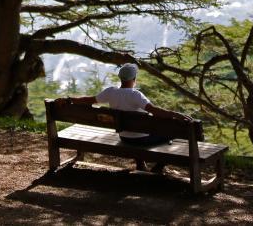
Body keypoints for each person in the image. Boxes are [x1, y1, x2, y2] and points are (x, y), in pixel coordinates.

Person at [55, 62, 191, 171]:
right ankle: (159, 166)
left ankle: (141, 164)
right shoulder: (136, 95)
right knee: (172, 133)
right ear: (134, 79)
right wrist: (176, 115)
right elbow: (154, 111)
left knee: (135, 128)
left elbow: (88, 100)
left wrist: (69, 99)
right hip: (142, 140)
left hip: (124, 137)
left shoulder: (110, 92)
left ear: (120, 78)